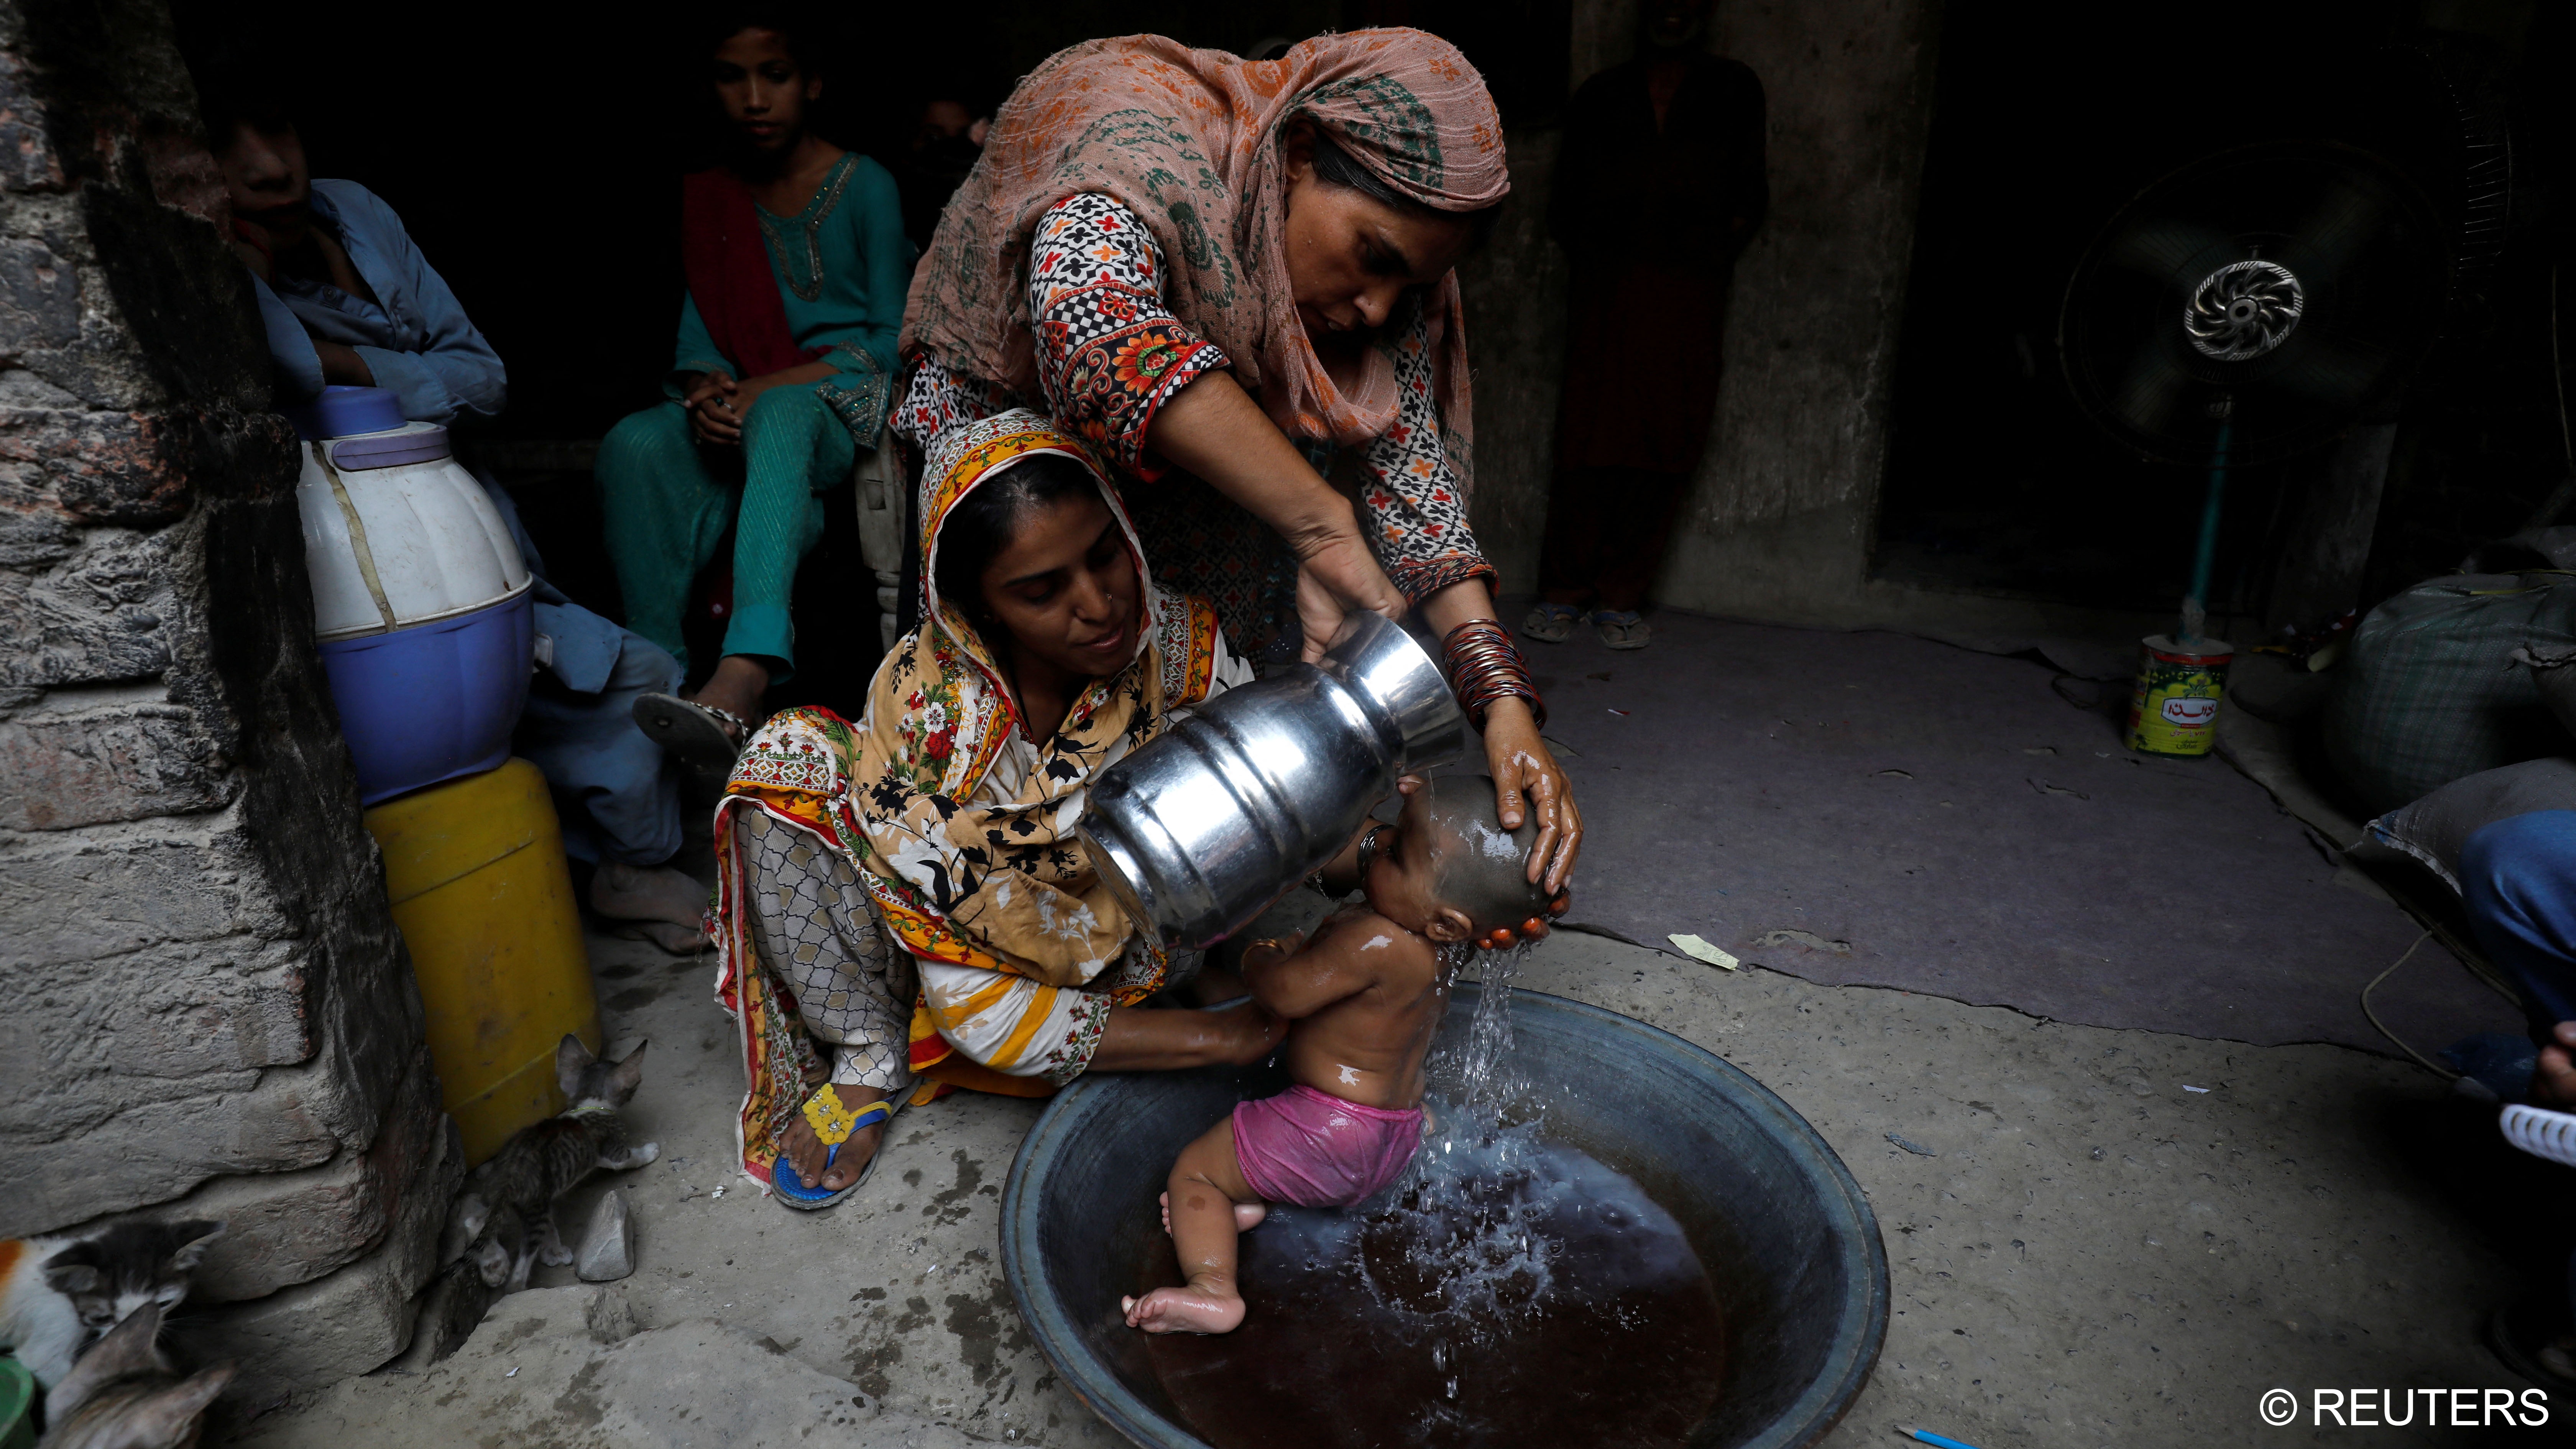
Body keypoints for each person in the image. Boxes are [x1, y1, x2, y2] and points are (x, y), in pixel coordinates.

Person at [897, 29, 1584, 894]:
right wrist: (1317, 520)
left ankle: (1179, 886)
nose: (1377, 309)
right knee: (1004, 762)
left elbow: (1416, 490)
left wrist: (1505, 708)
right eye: (1374, 257)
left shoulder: (1383, 294)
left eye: (1409, 287)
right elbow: (1093, 327)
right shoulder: (1141, 131)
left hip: (1188, 496)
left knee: (1193, 705)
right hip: (1016, 474)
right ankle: (1009, 923)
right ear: (1296, 155)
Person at [712, 411, 1286, 1205]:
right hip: (941, 943)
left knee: (1228, 762)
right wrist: (1242, 1034)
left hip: (1135, 935)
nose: (1100, 604)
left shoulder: (1182, 649)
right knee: (786, 758)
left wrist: (1368, 841)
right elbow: (956, 965)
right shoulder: (933, 711)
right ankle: (871, 1054)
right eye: (1041, 592)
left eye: (1104, 555)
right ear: (975, 609)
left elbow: (1269, 801)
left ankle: (1153, 1013)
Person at [201, 58, 706, 951]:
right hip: (362, 548)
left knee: (613, 676)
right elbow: (293, 371)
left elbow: (485, 379)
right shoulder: (216, 263)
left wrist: (354, 364)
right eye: (226, 147)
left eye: (277, 132)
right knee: (513, 704)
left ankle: (617, 868)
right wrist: (243, 272)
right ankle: (592, 871)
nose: (271, 168)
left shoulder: (354, 211)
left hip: (464, 514)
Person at [1122, 775, 1564, 1335]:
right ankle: (1244, 1209)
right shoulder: (1443, 951)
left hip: (1327, 1128)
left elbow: (1283, 993)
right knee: (1246, 1180)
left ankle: (1213, 1289)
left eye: (1398, 852)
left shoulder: (1377, 940)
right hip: (1395, 1136)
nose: (1377, 845)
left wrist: (1264, 954)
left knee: (1196, 1175)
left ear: (1447, 921)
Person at [596, 10, 911, 774]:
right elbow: (700, 339)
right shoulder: (714, 199)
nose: (755, 99)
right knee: (634, 441)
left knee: (783, 407)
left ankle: (749, 662)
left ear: (811, 84)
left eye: (773, 76)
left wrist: (763, 386)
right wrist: (707, 390)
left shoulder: (865, 184)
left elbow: (890, 339)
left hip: (839, 404)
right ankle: (663, 673)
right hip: (750, 410)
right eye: (732, 79)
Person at [1523, 0, 1765, 652]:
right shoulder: (1603, 95)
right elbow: (1566, 205)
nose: (1672, 9)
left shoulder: (1733, 89)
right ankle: (1565, 590)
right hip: (1605, 294)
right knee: (1587, 441)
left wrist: (1698, 257)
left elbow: (1750, 197)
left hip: (1690, 296)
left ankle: (1623, 594)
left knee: (1666, 438)